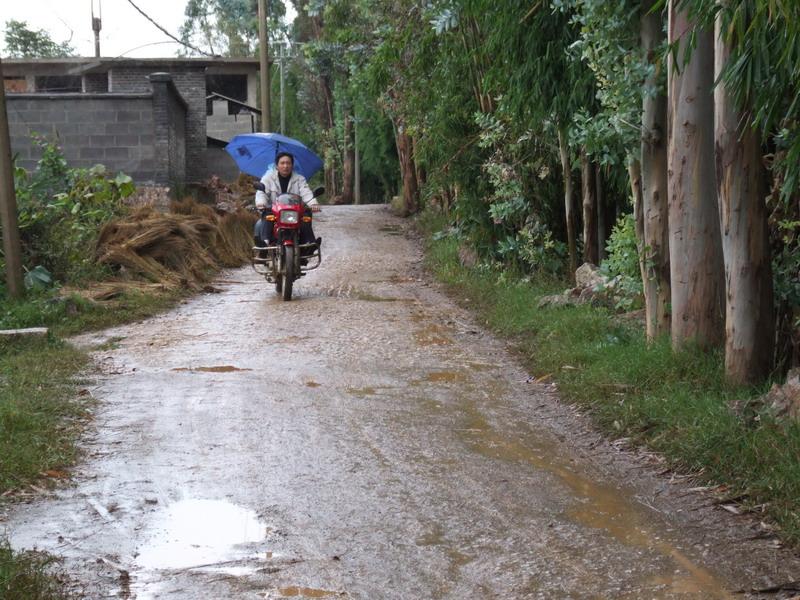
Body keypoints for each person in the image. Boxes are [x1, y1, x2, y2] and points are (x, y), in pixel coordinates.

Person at [254, 151, 321, 249]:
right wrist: (261, 203)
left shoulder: (299, 179)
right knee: (267, 214)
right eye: (282, 163)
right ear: (276, 165)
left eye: (288, 163)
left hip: (295, 211)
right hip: (275, 211)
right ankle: (265, 242)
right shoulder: (268, 178)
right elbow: (261, 192)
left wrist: (313, 203)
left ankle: (309, 243)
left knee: (306, 215)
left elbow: (306, 192)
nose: (285, 166)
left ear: (292, 165)